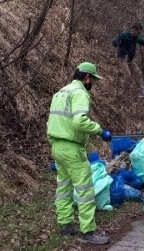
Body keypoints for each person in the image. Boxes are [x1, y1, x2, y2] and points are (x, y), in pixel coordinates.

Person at [47, 62, 112, 245]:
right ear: (87, 77)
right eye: (93, 80)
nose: (93, 85)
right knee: (85, 190)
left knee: (64, 188)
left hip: (57, 146)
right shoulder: (80, 93)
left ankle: (66, 225)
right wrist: (100, 131)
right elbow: (80, 121)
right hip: (72, 148)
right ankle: (88, 232)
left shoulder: (61, 92)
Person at [111, 22, 144, 98]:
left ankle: (142, 91)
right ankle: (123, 94)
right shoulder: (124, 35)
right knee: (128, 75)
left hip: (130, 60)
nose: (138, 33)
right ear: (133, 29)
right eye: (137, 31)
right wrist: (116, 43)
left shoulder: (136, 38)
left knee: (138, 73)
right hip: (122, 58)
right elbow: (115, 40)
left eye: (139, 32)